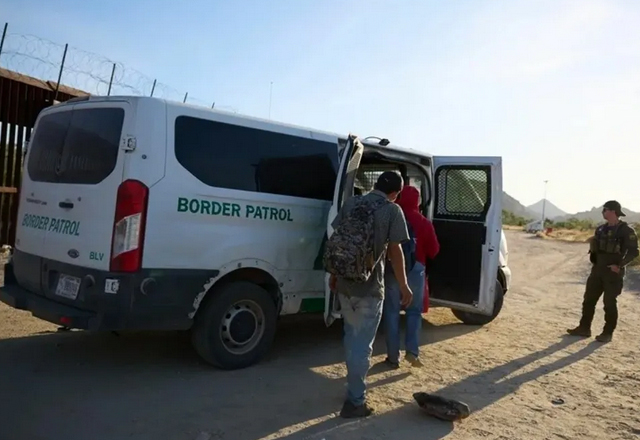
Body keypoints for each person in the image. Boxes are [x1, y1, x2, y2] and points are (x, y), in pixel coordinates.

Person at [328, 171, 413, 418]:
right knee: (362, 345)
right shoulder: (391, 210)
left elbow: (339, 240)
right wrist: (404, 286)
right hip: (370, 288)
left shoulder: (352, 203)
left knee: (351, 338)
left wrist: (334, 274)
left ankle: (354, 389)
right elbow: (395, 251)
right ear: (395, 193)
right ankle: (356, 401)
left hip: (344, 285)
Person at [383, 185, 440, 368]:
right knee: (414, 312)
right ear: (418, 201)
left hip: (393, 269)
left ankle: (393, 357)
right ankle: (412, 352)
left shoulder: (392, 216)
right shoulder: (424, 222)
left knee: (391, 312)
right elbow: (434, 251)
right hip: (416, 270)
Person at [567, 200, 638, 342]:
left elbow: (634, 252)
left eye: (605, 210)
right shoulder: (600, 229)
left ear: (613, 211)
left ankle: (607, 333)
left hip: (613, 273)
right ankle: (584, 328)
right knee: (588, 300)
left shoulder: (626, 231)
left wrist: (620, 265)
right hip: (597, 271)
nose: (603, 212)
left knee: (609, 303)